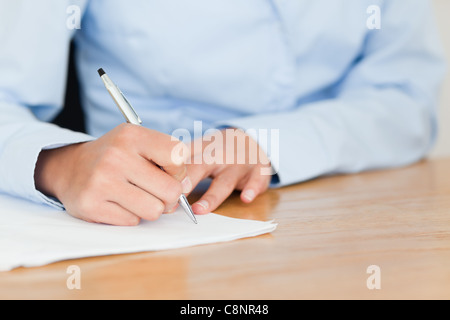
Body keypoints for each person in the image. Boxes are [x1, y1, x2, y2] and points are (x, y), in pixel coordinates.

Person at [0, 0, 445, 226]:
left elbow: (405, 97)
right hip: (153, 220)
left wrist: (267, 142)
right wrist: (61, 163)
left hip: (344, 212)